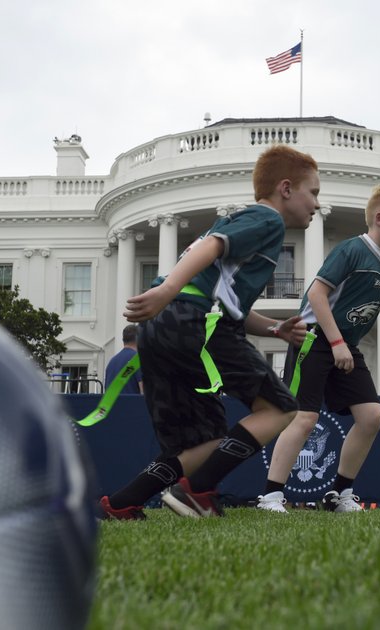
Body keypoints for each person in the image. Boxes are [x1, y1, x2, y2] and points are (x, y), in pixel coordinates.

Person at [98, 144, 318, 520]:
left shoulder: (235, 221)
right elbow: (215, 248)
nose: (316, 203)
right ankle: (198, 492)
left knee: (205, 441)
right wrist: (167, 291)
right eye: (312, 192)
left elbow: (226, 299)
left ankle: (119, 504)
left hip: (163, 325)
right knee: (281, 408)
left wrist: (274, 328)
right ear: (285, 189)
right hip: (194, 321)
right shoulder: (267, 220)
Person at [257, 184, 380, 513]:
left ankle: (340, 494)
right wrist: (337, 342)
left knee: (372, 416)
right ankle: (271, 496)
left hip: (345, 345)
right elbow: (316, 294)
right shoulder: (351, 250)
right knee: (304, 418)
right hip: (315, 339)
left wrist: (345, 345)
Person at [103, 324, 144, 394]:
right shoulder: (138, 360)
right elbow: (143, 392)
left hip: (112, 404)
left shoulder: (111, 362)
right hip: (132, 404)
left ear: (123, 340)